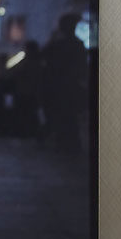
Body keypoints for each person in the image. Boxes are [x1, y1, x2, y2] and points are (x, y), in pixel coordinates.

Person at [42, 13, 87, 153]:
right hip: (70, 86)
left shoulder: (58, 45)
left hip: (59, 87)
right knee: (69, 118)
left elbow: (45, 57)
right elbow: (82, 68)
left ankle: (64, 144)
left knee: (62, 117)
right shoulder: (77, 45)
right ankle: (70, 145)